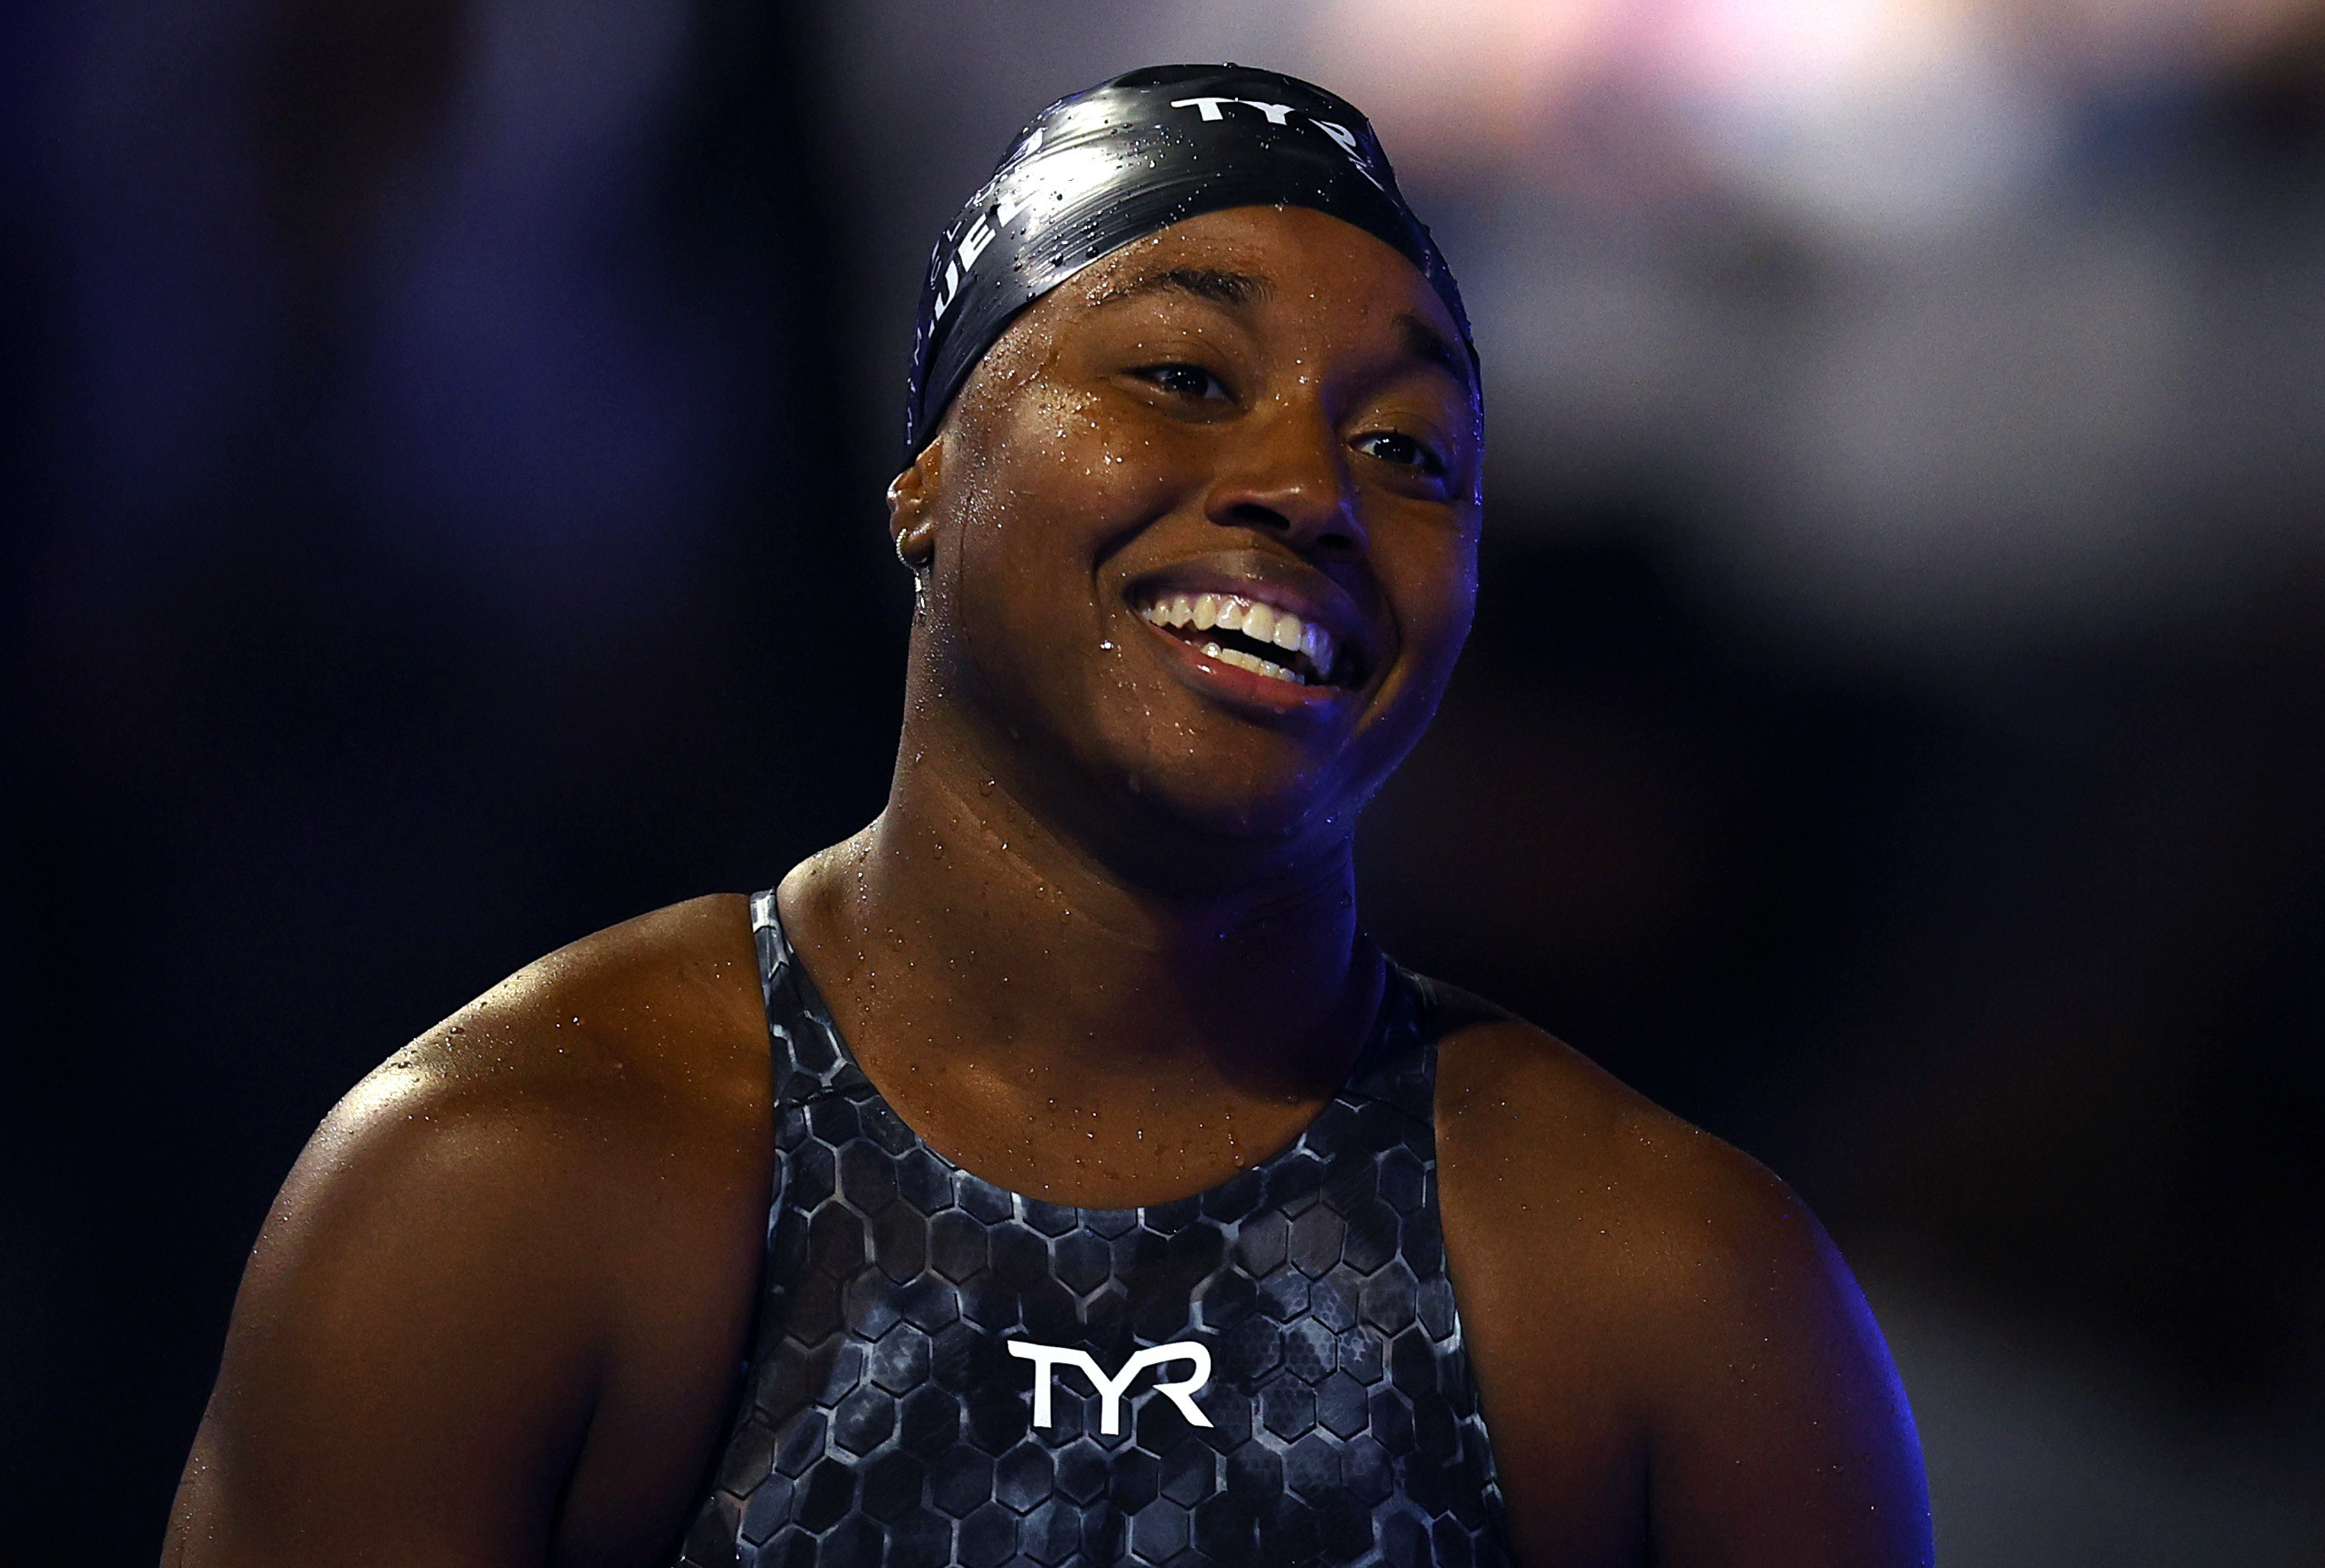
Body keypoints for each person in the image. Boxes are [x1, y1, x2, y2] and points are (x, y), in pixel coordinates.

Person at [166, 65, 1932, 1568]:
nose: (1304, 489)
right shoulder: (515, 1179)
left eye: (1408, 451)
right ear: (926, 472)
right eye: (1181, 374)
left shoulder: (1669, 1292)